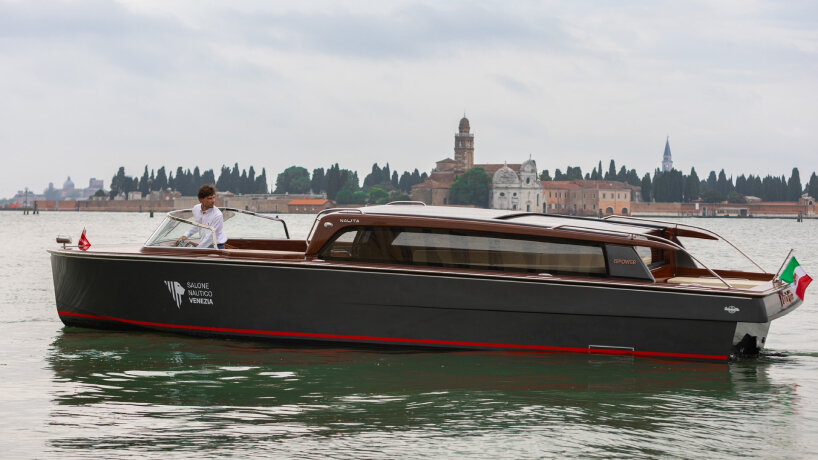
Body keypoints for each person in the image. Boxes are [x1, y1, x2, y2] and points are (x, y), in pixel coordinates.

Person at [175, 184, 227, 249]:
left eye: (214, 197)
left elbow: (210, 238)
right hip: (205, 246)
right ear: (201, 200)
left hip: (217, 247)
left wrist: (197, 249)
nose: (213, 201)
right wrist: (185, 236)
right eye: (209, 198)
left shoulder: (218, 215)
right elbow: (197, 225)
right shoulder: (196, 209)